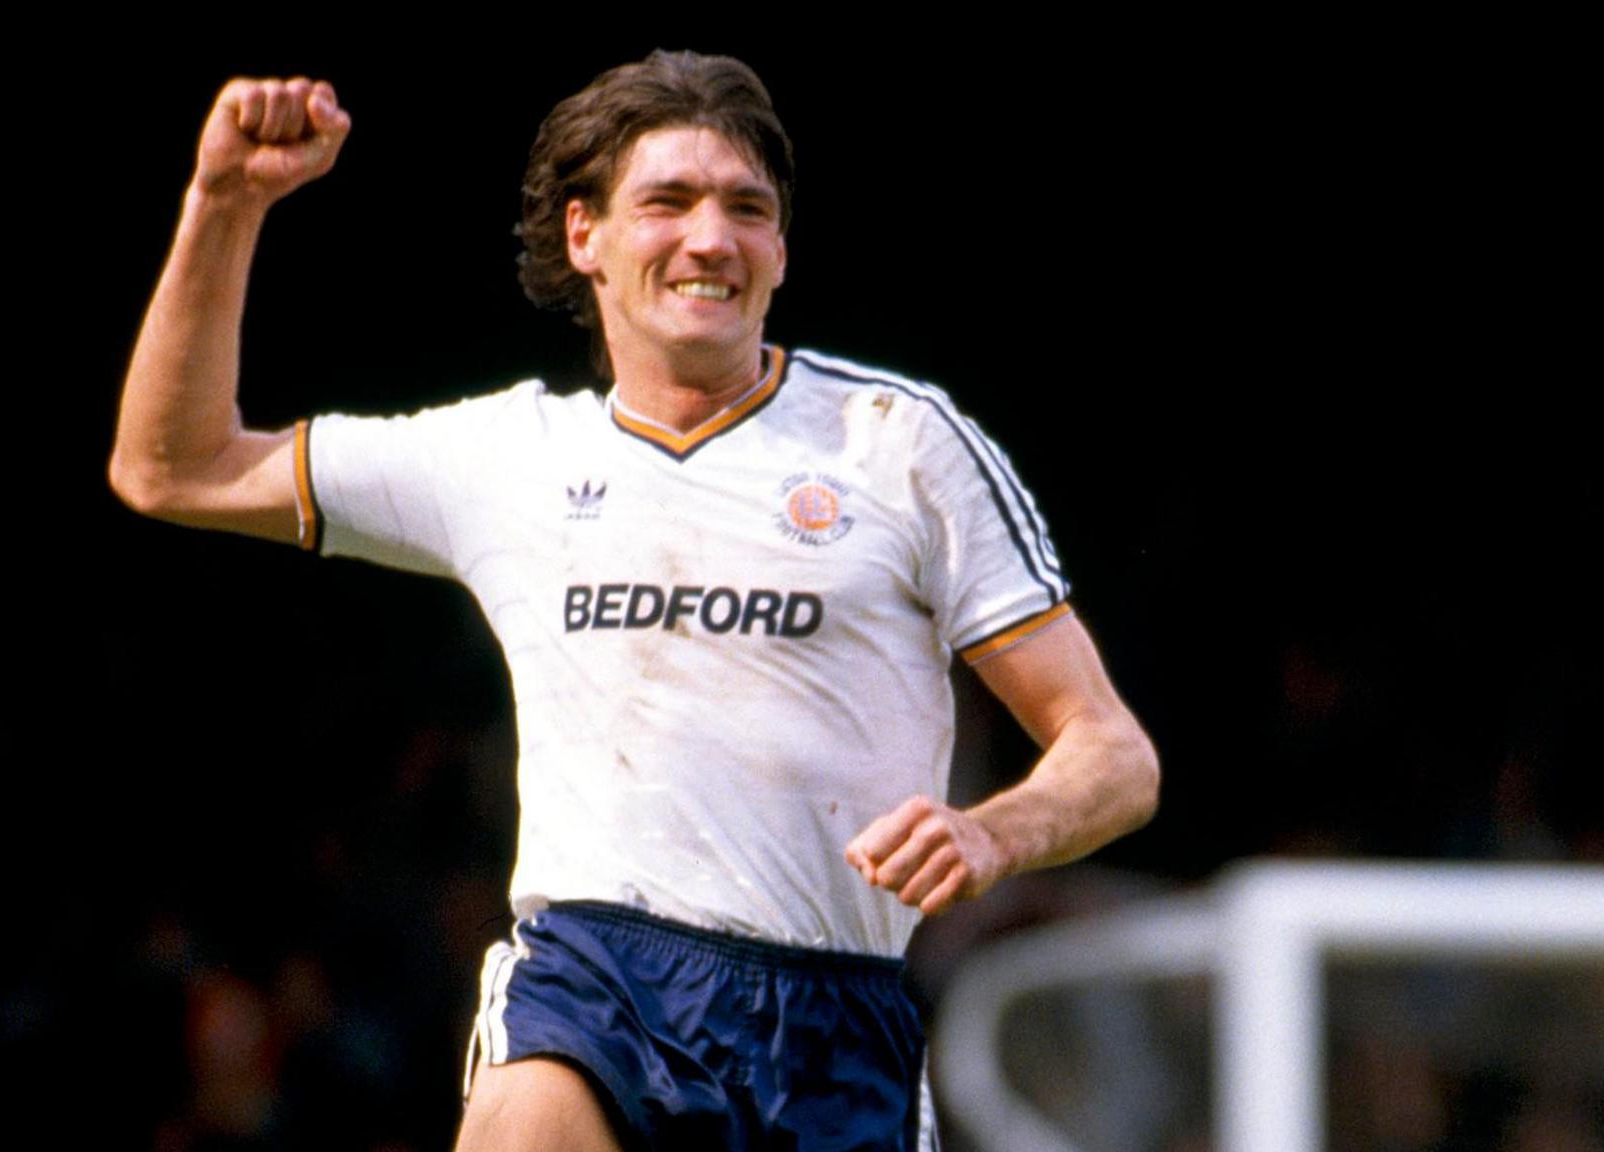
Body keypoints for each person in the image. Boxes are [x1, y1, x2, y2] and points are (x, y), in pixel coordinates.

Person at [111, 53, 1159, 1152]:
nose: (711, 237)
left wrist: (988, 835)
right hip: (594, 977)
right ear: (584, 239)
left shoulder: (900, 444)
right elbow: (171, 467)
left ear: (780, 252)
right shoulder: (507, 454)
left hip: (830, 1019)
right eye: (667, 201)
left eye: (746, 209)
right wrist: (223, 204)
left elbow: (1112, 755)